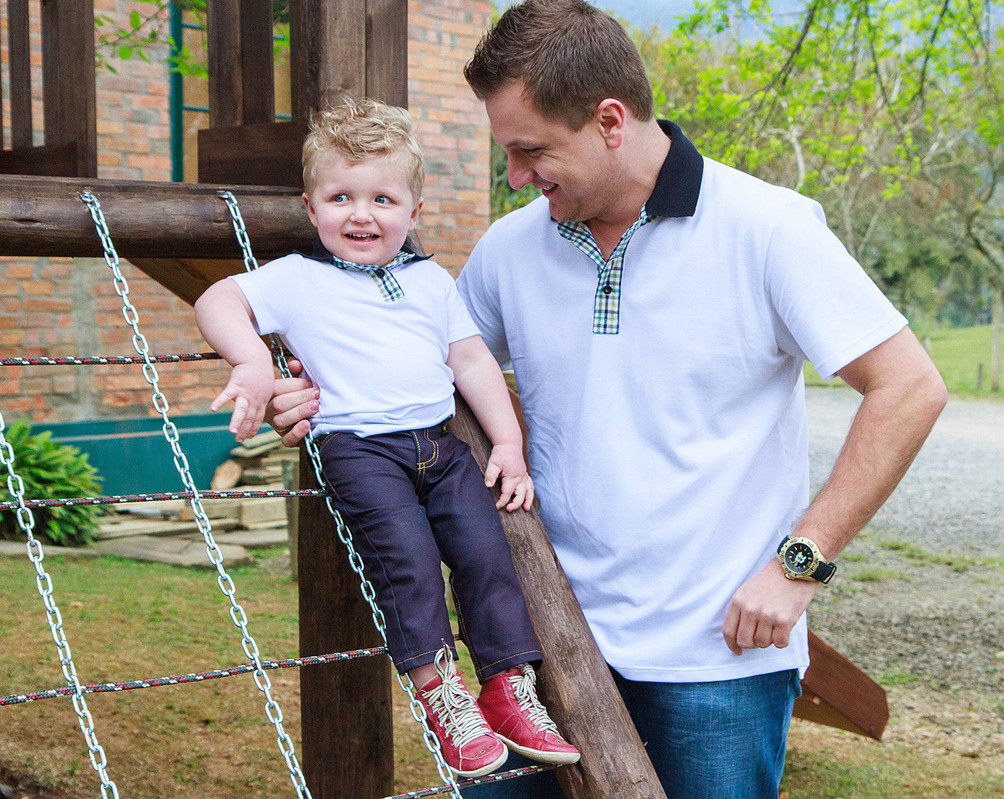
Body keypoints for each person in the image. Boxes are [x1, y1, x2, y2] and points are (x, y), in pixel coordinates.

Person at [267, 3, 947, 796]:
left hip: (717, 660)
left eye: (531, 152)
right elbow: (430, 368)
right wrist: (311, 392)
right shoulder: (510, 249)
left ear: (611, 121)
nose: (516, 178)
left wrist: (800, 564)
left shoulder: (770, 229)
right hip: (544, 639)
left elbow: (909, 388)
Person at [193, 97, 579, 779]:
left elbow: (472, 361)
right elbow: (217, 298)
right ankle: (441, 693)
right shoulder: (298, 277)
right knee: (408, 559)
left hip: (440, 446)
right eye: (340, 196)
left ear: (414, 209)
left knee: (488, 555)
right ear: (311, 208)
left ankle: (507, 685)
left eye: (381, 198)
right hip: (360, 450)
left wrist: (508, 444)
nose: (361, 213)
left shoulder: (430, 281)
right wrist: (252, 358)